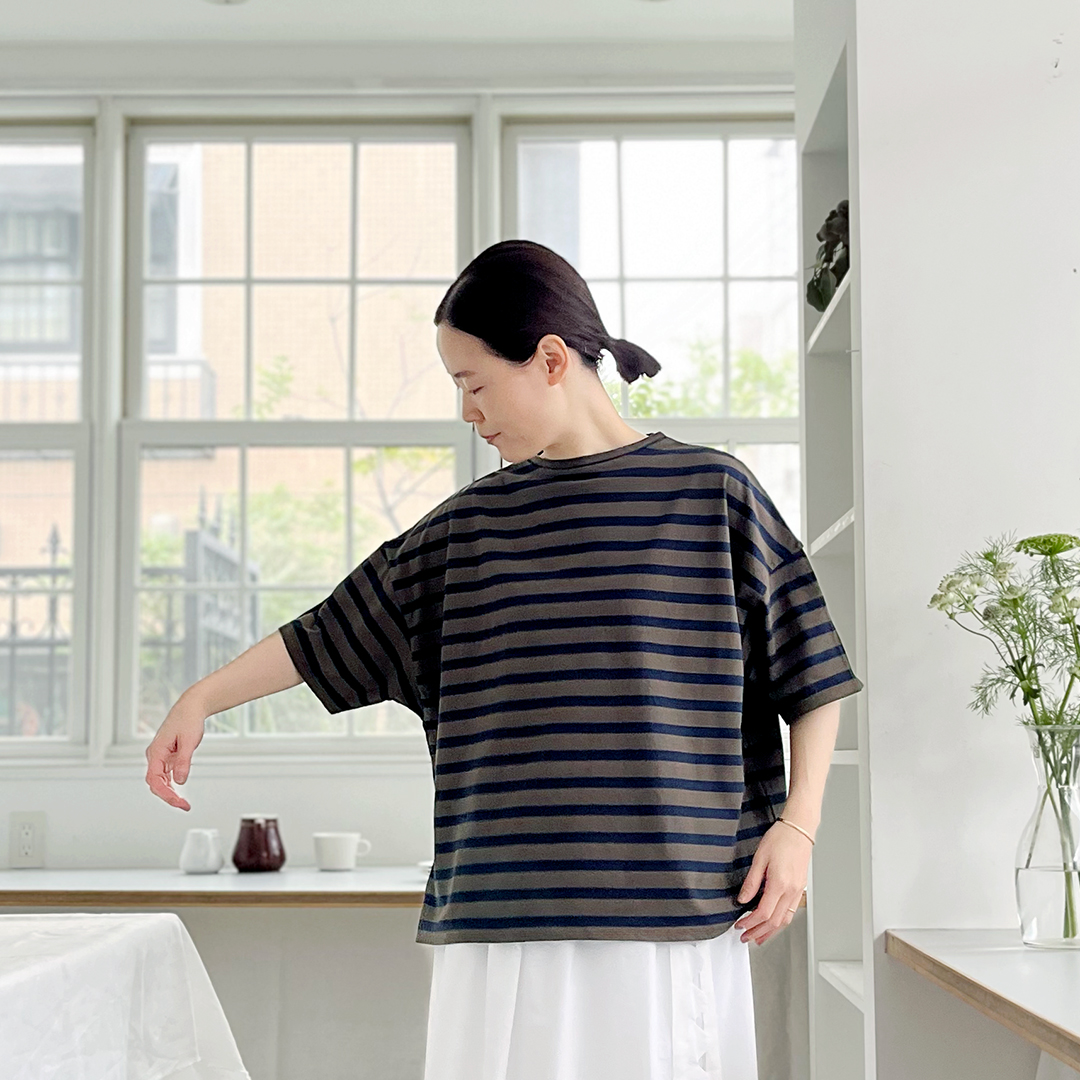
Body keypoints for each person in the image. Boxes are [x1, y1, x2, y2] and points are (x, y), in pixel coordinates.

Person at [145, 239, 864, 1080]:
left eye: (474, 383)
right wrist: (201, 697)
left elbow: (812, 672)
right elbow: (325, 634)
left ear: (551, 360)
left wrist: (798, 828)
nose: (466, 411)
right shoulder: (465, 529)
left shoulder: (712, 494)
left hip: (672, 916)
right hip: (502, 918)